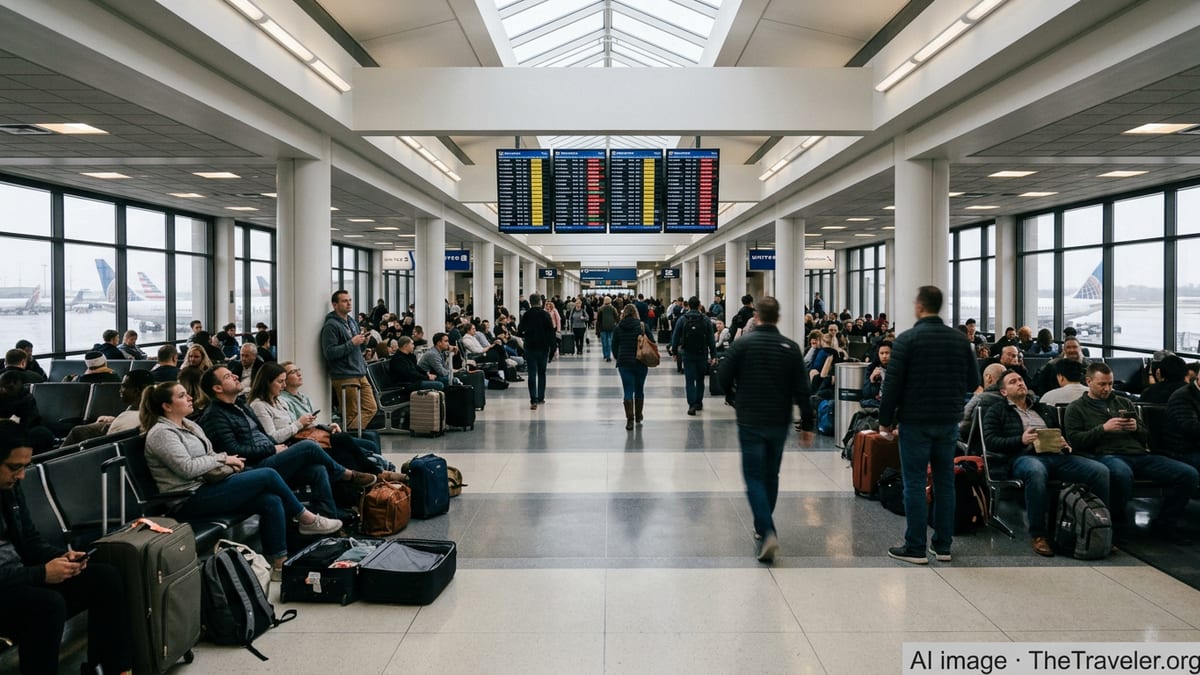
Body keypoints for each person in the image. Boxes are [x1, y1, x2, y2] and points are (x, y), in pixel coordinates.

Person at [141, 383, 341, 579]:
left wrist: (227, 462)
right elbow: (187, 468)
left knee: (270, 500)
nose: (190, 398)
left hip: (209, 486)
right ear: (167, 406)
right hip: (188, 499)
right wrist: (222, 458)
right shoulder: (161, 434)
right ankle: (306, 518)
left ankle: (279, 563)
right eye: (182, 396)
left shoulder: (189, 425)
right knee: (268, 475)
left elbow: (209, 454)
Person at [0, 421, 134, 675]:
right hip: (9, 587)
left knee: (104, 577)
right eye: (14, 468)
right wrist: (41, 574)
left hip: (19, 577)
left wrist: (60, 557)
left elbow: (30, 540)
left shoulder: (10, 489)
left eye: (25, 467)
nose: (21, 476)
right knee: (46, 605)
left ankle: (112, 668)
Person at [877, 286, 980, 565]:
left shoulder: (907, 340)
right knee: (945, 483)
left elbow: (892, 387)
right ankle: (943, 546)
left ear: (919, 307)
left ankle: (915, 547)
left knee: (914, 483)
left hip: (915, 421)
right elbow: (973, 381)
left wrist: (884, 421)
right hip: (948, 421)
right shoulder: (960, 341)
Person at [197, 366, 377, 518]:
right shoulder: (216, 415)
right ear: (217, 388)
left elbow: (261, 434)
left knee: (318, 469)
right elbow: (234, 450)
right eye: (228, 376)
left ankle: (330, 517)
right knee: (311, 446)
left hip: (271, 452)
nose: (235, 376)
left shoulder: (240, 405)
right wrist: (272, 448)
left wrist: (274, 446)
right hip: (255, 465)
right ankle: (347, 475)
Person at [717, 297, 813, 562]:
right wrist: (808, 423)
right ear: (778, 317)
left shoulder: (743, 344)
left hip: (750, 420)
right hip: (779, 420)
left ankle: (767, 528)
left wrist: (734, 397)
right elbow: (803, 390)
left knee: (753, 477)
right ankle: (762, 525)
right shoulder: (791, 348)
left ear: (756, 316)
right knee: (771, 474)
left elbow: (722, 377)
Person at [1064, 362, 1198, 542]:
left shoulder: (1123, 402)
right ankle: (1116, 523)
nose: (1107, 388)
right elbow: (1076, 441)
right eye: (1102, 384)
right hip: (1106, 454)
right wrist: (1103, 429)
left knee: (1188, 474)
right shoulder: (1076, 408)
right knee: (1121, 474)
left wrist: (1136, 428)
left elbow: (1146, 436)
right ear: (1088, 381)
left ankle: (1165, 523)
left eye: (1110, 384)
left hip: (1139, 454)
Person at [983, 370, 1110, 556]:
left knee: (1100, 471)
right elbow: (991, 441)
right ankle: (1038, 534)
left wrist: (1064, 444)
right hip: (1022, 457)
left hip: (1055, 455)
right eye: (1013, 382)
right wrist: (1021, 440)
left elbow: (1060, 433)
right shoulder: (996, 411)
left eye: (1020, 380)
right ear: (1004, 392)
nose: (1020, 383)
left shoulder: (1043, 408)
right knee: (1036, 471)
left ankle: (1099, 525)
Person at [248, 362, 397, 482]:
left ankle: (369, 479)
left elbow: (296, 426)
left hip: (299, 437)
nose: (283, 385)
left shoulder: (281, 401)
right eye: (281, 381)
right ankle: (369, 475)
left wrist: (319, 426)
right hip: (290, 444)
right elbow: (274, 436)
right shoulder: (261, 405)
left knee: (345, 443)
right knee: (342, 444)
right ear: (268, 383)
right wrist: (300, 423)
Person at [321, 290, 377, 431]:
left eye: (350, 300)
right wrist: (352, 342)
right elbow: (330, 352)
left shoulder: (351, 321)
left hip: (359, 371)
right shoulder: (331, 326)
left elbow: (356, 347)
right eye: (345, 301)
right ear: (335, 305)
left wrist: (363, 341)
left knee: (371, 407)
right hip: (345, 375)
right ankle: (350, 436)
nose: (349, 303)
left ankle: (350, 434)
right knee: (351, 413)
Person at [671, 296, 717, 416]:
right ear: (699, 305)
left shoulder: (683, 319)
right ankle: (698, 402)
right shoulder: (705, 319)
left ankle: (691, 405)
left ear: (688, 306)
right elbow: (711, 339)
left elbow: (675, 336)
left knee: (689, 380)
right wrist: (714, 355)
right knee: (700, 379)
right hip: (702, 353)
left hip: (687, 353)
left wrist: (674, 352)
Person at [612, 305, 648, 431]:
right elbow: (652, 342)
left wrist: (618, 357)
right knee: (639, 389)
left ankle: (629, 420)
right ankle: (638, 416)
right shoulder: (642, 326)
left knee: (628, 390)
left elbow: (614, 346)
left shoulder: (618, 328)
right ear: (635, 313)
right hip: (641, 362)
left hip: (624, 363)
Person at [516, 294, 556, 410]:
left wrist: (525, 334)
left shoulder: (527, 315)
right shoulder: (545, 314)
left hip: (530, 347)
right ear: (540, 302)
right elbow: (551, 333)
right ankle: (541, 397)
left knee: (532, 373)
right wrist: (553, 349)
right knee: (542, 373)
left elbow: (520, 331)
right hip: (543, 348)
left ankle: (533, 399)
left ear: (530, 302)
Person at [860, 340, 892, 409]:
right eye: (882, 353)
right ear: (878, 354)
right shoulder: (872, 368)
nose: (884, 356)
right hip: (876, 402)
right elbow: (866, 394)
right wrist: (872, 380)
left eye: (887, 353)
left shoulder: (897, 369)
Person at [595, 295, 619, 362]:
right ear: (610, 301)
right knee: (610, 342)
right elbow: (617, 318)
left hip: (603, 328)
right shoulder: (613, 309)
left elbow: (598, 321)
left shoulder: (600, 309)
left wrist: (597, 330)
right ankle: (608, 356)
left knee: (604, 342)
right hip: (611, 328)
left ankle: (605, 355)